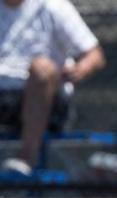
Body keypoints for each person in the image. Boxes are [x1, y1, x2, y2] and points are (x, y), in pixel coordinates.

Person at [0, 0, 105, 176]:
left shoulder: (53, 6)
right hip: (3, 96)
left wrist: (80, 69)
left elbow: (94, 55)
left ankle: (26, 159)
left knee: (42, 68)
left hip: (47, 99)